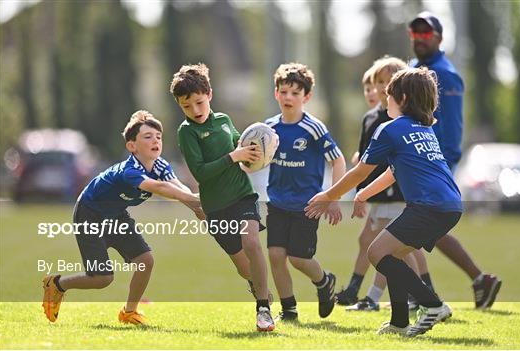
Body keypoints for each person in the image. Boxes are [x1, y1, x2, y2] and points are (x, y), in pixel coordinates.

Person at [307, 67, 461, 336]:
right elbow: (392, 173)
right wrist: (363, 194)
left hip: (428, 206)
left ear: (401, 98)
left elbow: (360, 171)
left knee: (376, 253)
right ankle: (400, 323)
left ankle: (432, 304)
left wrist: (328, 195)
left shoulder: (389, 129)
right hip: (449, 204)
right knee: (392, 255)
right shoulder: (423, 129)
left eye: (388, 94)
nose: (384, 99)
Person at [42, 110, 204, 325]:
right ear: (131, 146)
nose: (155, 140)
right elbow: (161, 187)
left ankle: (129, 312)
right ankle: (57, 284)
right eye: (148, 137)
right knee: (102, 278)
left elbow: (177, 186)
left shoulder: (160, 165)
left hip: (116, 214)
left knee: (145, 260)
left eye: (158, 137)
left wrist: (195, 203)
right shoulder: (129, 171)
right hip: (89, 214)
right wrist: (194, 201)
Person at [171, 63, 275, 332]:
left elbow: (243, 148)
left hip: (242, 196)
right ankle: (259, 288)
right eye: (187, 106)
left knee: (252, 242)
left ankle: (263, 307)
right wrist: (234, 156)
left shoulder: (224, 121)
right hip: (215, 208)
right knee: (244, 268)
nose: (195, 110)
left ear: (210, 95)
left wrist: (259, 149)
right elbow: (201, 174)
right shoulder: (186, 132)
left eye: (199, 102)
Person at [408, 12, 501, 309]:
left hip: (434, 162)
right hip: (416, 159)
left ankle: (422, 292)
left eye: (426, 33)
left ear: (438, 37)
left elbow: (452, 125)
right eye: (415, 33)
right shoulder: (413, 68)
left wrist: (444, 162)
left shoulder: (444, 75)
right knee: (425, 226)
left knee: (416, 224)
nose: (419, 38)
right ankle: (476, 280)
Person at [337, 57, 421, 311]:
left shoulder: (402, 120)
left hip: (396, 193)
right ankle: (415, 296)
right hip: (377, 194)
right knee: (378, 244)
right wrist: (361, 193)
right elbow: (364, 160)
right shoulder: (371, 119)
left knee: (388, 248)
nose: (382, 88)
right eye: (379, 83)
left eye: (388, 82)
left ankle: (380, 297)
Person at [264, 62, 346, 322]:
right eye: (284, 92)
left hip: (307, 205)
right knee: (276, 256)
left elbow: (338, 160)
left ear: (306, 97)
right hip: (277, 202)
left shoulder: (314, 128)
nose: (288, 97)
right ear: (276, 93)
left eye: (295, 93)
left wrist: (333, 196)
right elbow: (254, 159)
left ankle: (324, 281)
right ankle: (289, 310)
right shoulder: (268, 128)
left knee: (299, 258)